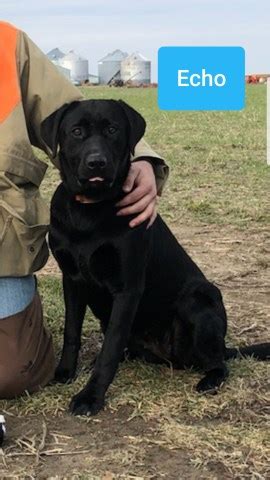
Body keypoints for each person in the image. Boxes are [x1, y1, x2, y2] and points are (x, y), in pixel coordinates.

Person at [0, 21, 169, 399]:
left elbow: (76, 114)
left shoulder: (5, 42)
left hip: (1, 246)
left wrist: (140, 159)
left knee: (10, 375)